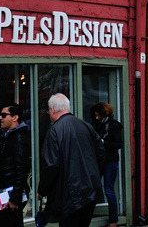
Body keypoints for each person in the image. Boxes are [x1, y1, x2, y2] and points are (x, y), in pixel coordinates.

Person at [38, 93, 105, 227]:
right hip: (89, 191)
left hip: (69, 194)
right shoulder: (86, 126)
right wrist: (94, 176)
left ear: (52, 110)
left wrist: (42, 190)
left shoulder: (54, 131)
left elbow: (51, 165)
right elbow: (101, 153)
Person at [0, 103, 31, 227]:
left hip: (11, 193)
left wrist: (15, 198)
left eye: (4, 115)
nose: (0, 118)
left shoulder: (19, 138)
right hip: (4, 192)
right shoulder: (7, 136)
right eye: (0, 115)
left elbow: (21, 169)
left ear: (15, 117)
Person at [91, 102, 123, 227]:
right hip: (100, 160)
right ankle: (90, 214)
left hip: (110, 160)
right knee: (94, 187)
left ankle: (113, 220)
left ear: (104, 114)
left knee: (109, 190)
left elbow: (118, 144)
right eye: (96, 115)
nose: (97, 117)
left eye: (99, 115)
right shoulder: (98, 124)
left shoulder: (114, 125)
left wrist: (103, 142)